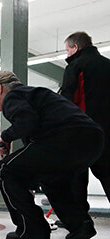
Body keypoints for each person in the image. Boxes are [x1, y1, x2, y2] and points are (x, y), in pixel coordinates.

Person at [0, 70, 103, 239]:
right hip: (92, 140)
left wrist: (5, 136)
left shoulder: (13, 96)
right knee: (52, 178)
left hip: (64, 139)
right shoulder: (35, 94)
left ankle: (31, 229)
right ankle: (80, 226)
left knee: (5, 169)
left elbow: (26, 121)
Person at [60, 31, 110, 210]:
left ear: (75, 47)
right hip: (107, 132)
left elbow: (66, 101)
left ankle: (80, 224)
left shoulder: (76, 66)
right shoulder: (107, 64)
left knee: (76, 178)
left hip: (82, 132)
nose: (67, 55)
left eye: (67, 50)